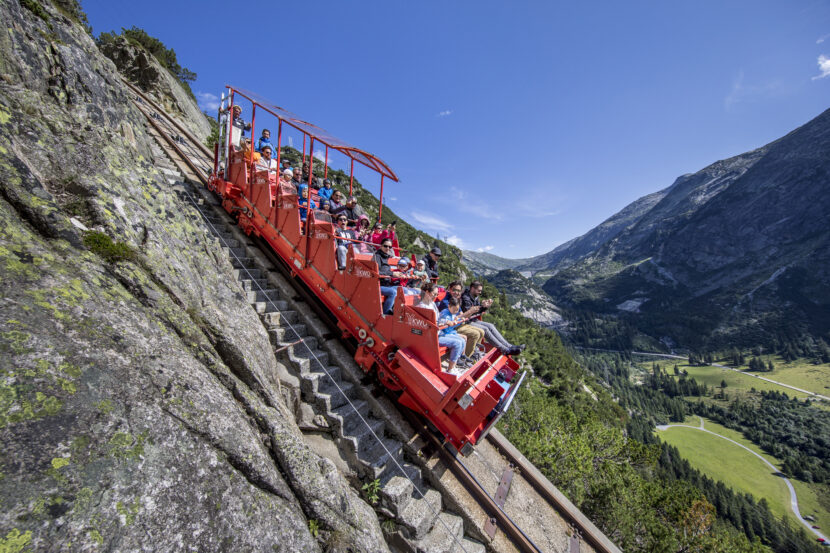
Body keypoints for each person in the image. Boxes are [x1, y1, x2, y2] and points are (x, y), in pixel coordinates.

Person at [461, 281, 525, 356]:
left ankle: (509, 346)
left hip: (473, 319)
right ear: (472, 289)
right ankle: (505, 349)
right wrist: (482, 307)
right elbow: (469, 312)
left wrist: (484, 307)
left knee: (491, 325)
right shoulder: (466, 298)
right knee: (485, 329)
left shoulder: (475, 297)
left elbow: (478, 312)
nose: (480, 292)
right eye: (479, 290)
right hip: (467, 321)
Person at [418, 282, 466, 375]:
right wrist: (443, 323)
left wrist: (444, 322)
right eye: (434, 294)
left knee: (462, 340)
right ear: (427, 292)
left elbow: (438, 320)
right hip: (432, 336)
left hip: (438, 331)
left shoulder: (432, 304)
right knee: (457, 343)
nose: (435, 296)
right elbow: (429, 324)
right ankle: (450, 369)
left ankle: (454, 364)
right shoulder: (422, 307)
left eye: (436, 294)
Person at [438, 281, 485, 360]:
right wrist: (469, 312)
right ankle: (466, 357)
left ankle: (472, 352)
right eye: (454, 290)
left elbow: (461, 314)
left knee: (482, 331)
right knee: (475, 334)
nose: (456, 292)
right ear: (450, 289)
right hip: (451, 328)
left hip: (458, 324)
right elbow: (455, 318)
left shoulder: (455, 300)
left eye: (459, 291)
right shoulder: (448, 303)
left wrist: (474, 311)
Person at [374, 238, 405, 315]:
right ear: (381, 246)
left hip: (386, 284)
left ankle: (396, 310)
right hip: (378, 285)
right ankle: (385, 314)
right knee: (393, 292)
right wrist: (392, 274)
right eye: (385, 246)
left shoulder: (385, 257)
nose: (387, 248)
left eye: (390, 247)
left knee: (401, 290)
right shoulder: (377, 257)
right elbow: (377, 271)